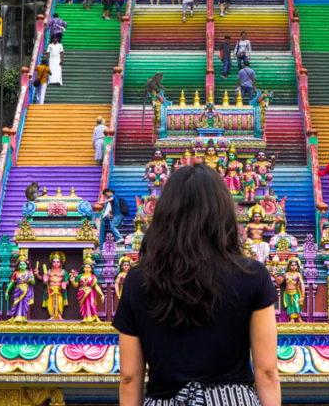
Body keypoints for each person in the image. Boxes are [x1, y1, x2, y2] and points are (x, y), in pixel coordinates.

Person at [113, 164, 281, 406]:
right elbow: (266, 372)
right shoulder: (253, 275)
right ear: (224, 213)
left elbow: (130, 377)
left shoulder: (139, 280)